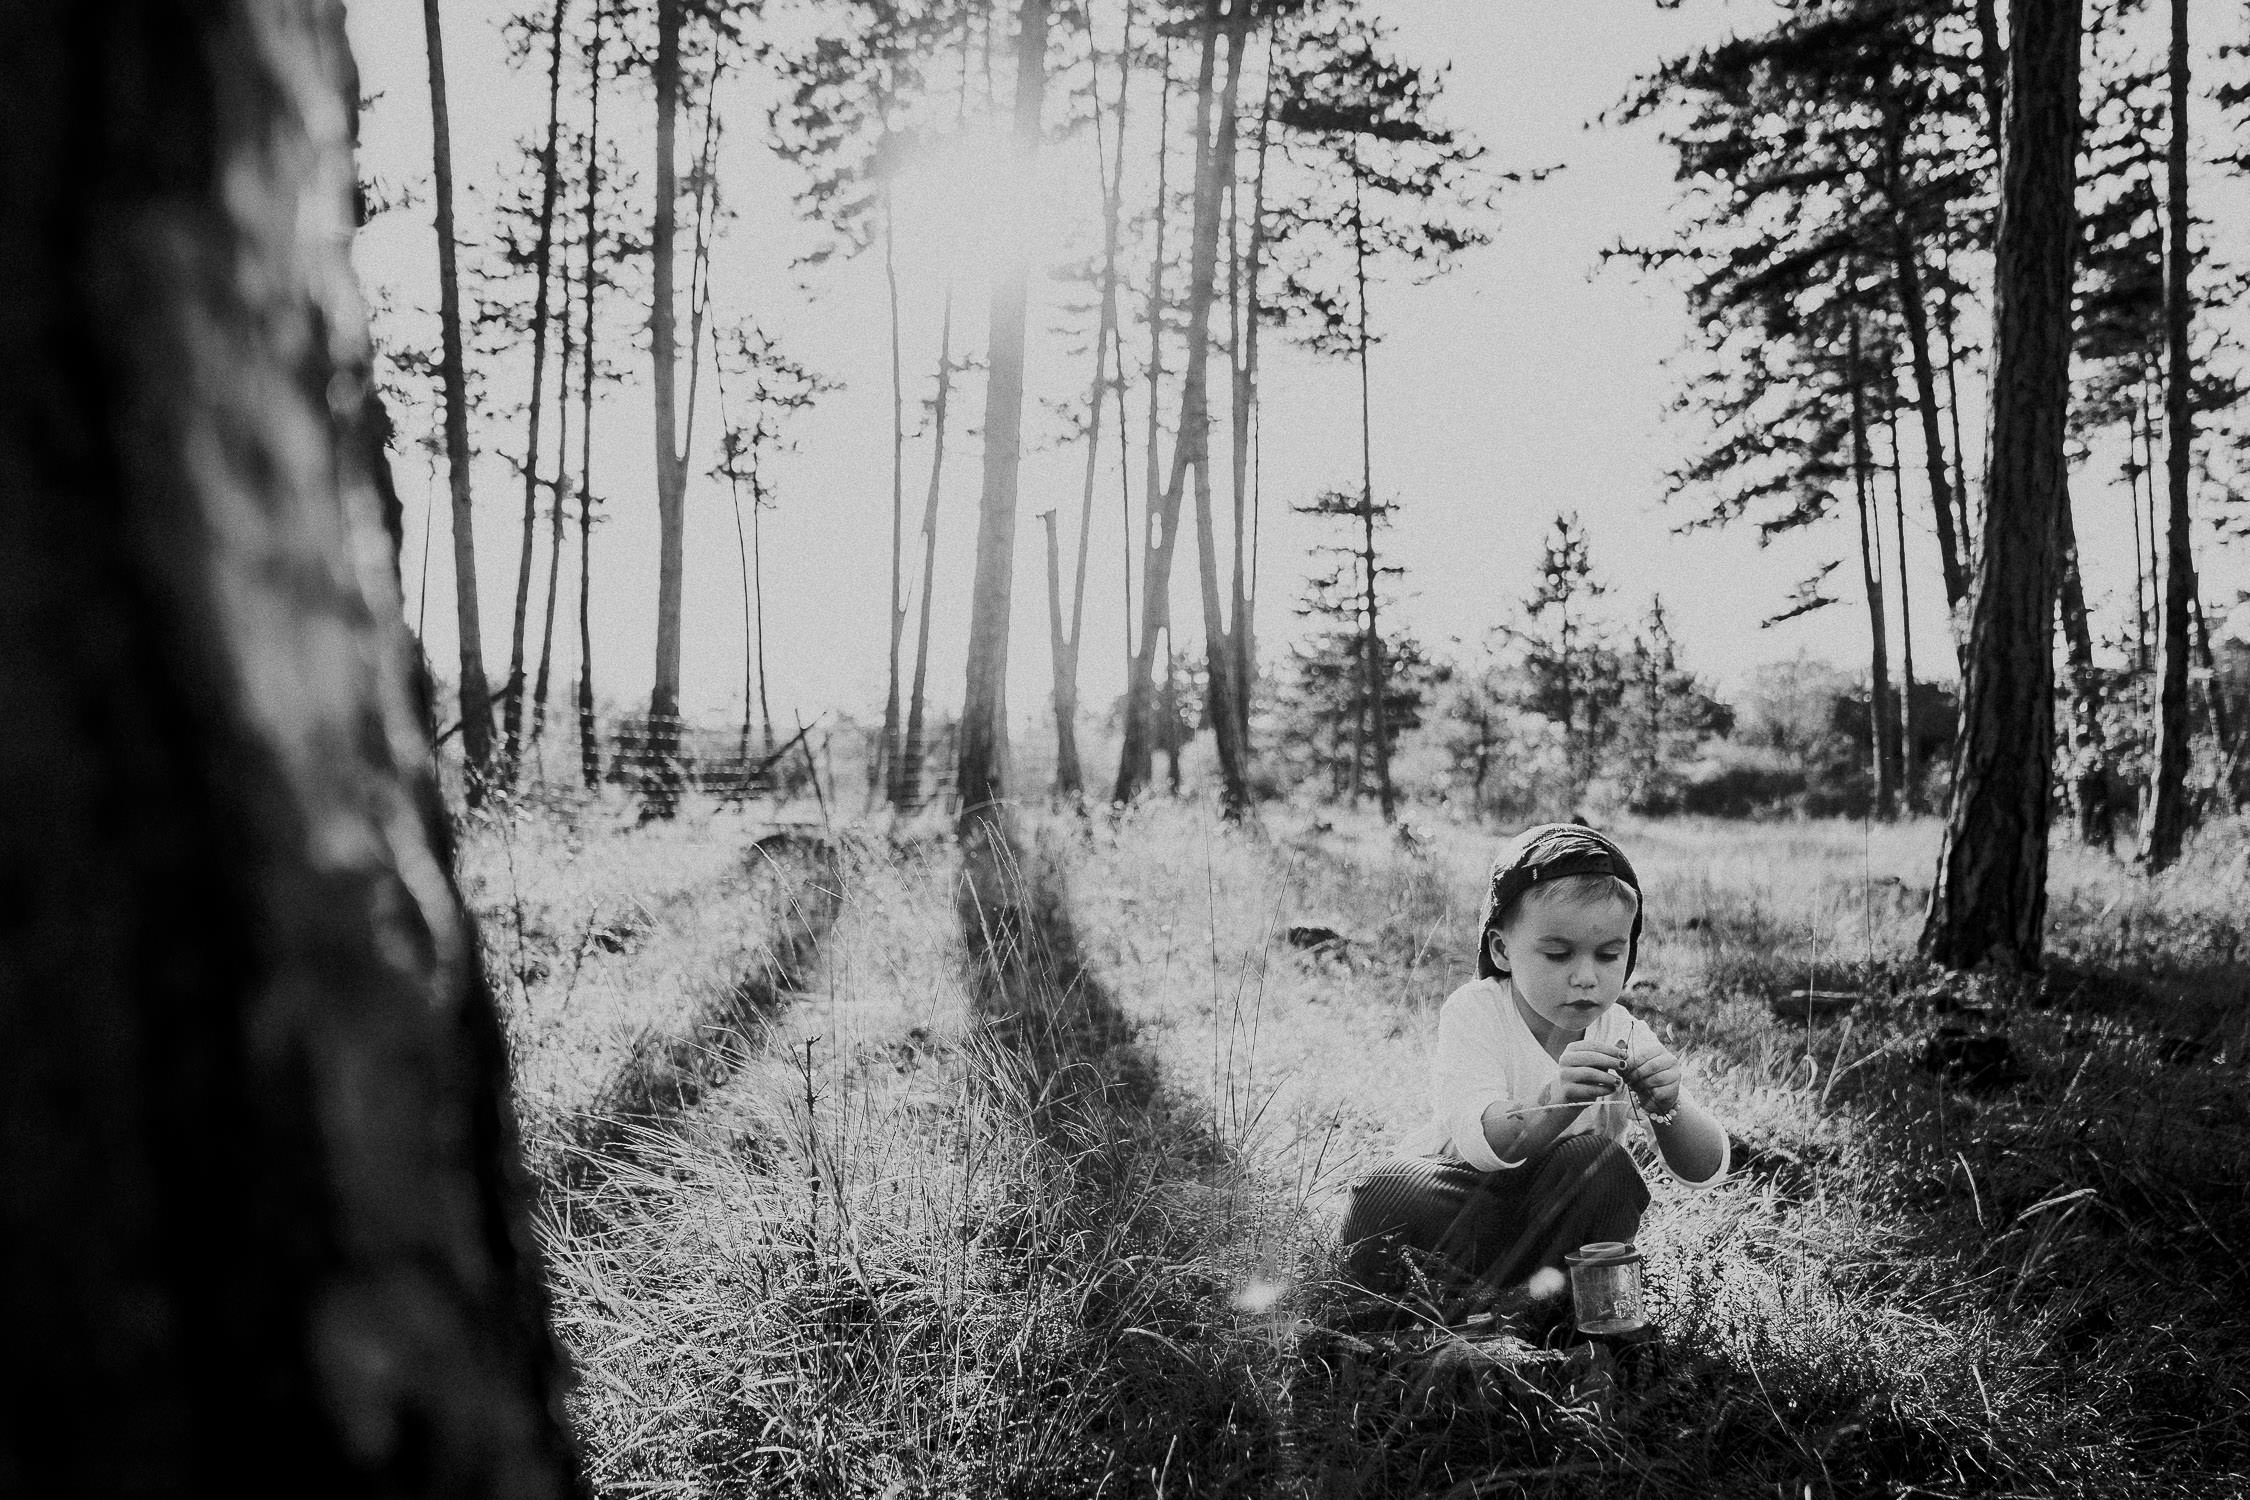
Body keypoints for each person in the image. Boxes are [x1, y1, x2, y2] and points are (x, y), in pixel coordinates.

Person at [1337, 822, 1729, 1329]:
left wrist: (1669, 1106)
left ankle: (1586, 1329)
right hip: (1465, 1209)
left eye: (1609, 954)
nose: (1586, 975)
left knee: (1601, 1165)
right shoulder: (1476, 1012)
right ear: (1502, 950)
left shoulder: (1621, 1031)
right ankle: (1441, 1320)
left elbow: (1705, 1170)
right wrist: (1555, 1098)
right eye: (1558, 953)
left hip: (1558, 1232)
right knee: (1388, 1190)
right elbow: (1482, 1145)